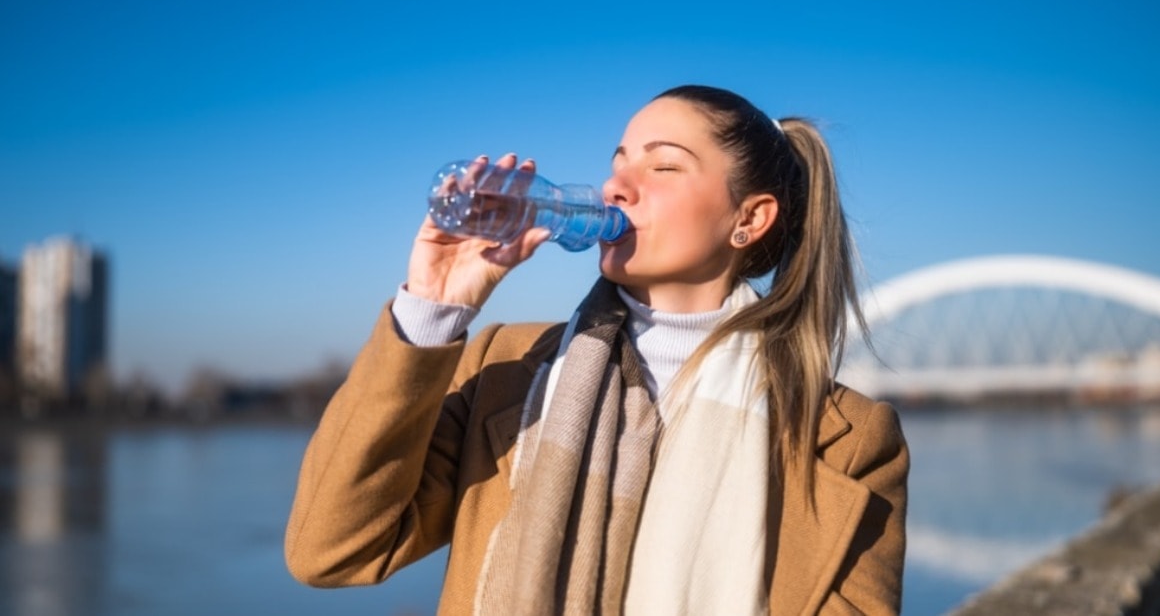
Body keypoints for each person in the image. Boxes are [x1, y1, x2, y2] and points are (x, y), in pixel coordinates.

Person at [285, 85, 909, 615]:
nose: (616, 186)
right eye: (618, 162)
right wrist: (431, 307)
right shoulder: (507, 368)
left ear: (749, 219)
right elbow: (333, 549)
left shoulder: (849, 441)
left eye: (662, 167)